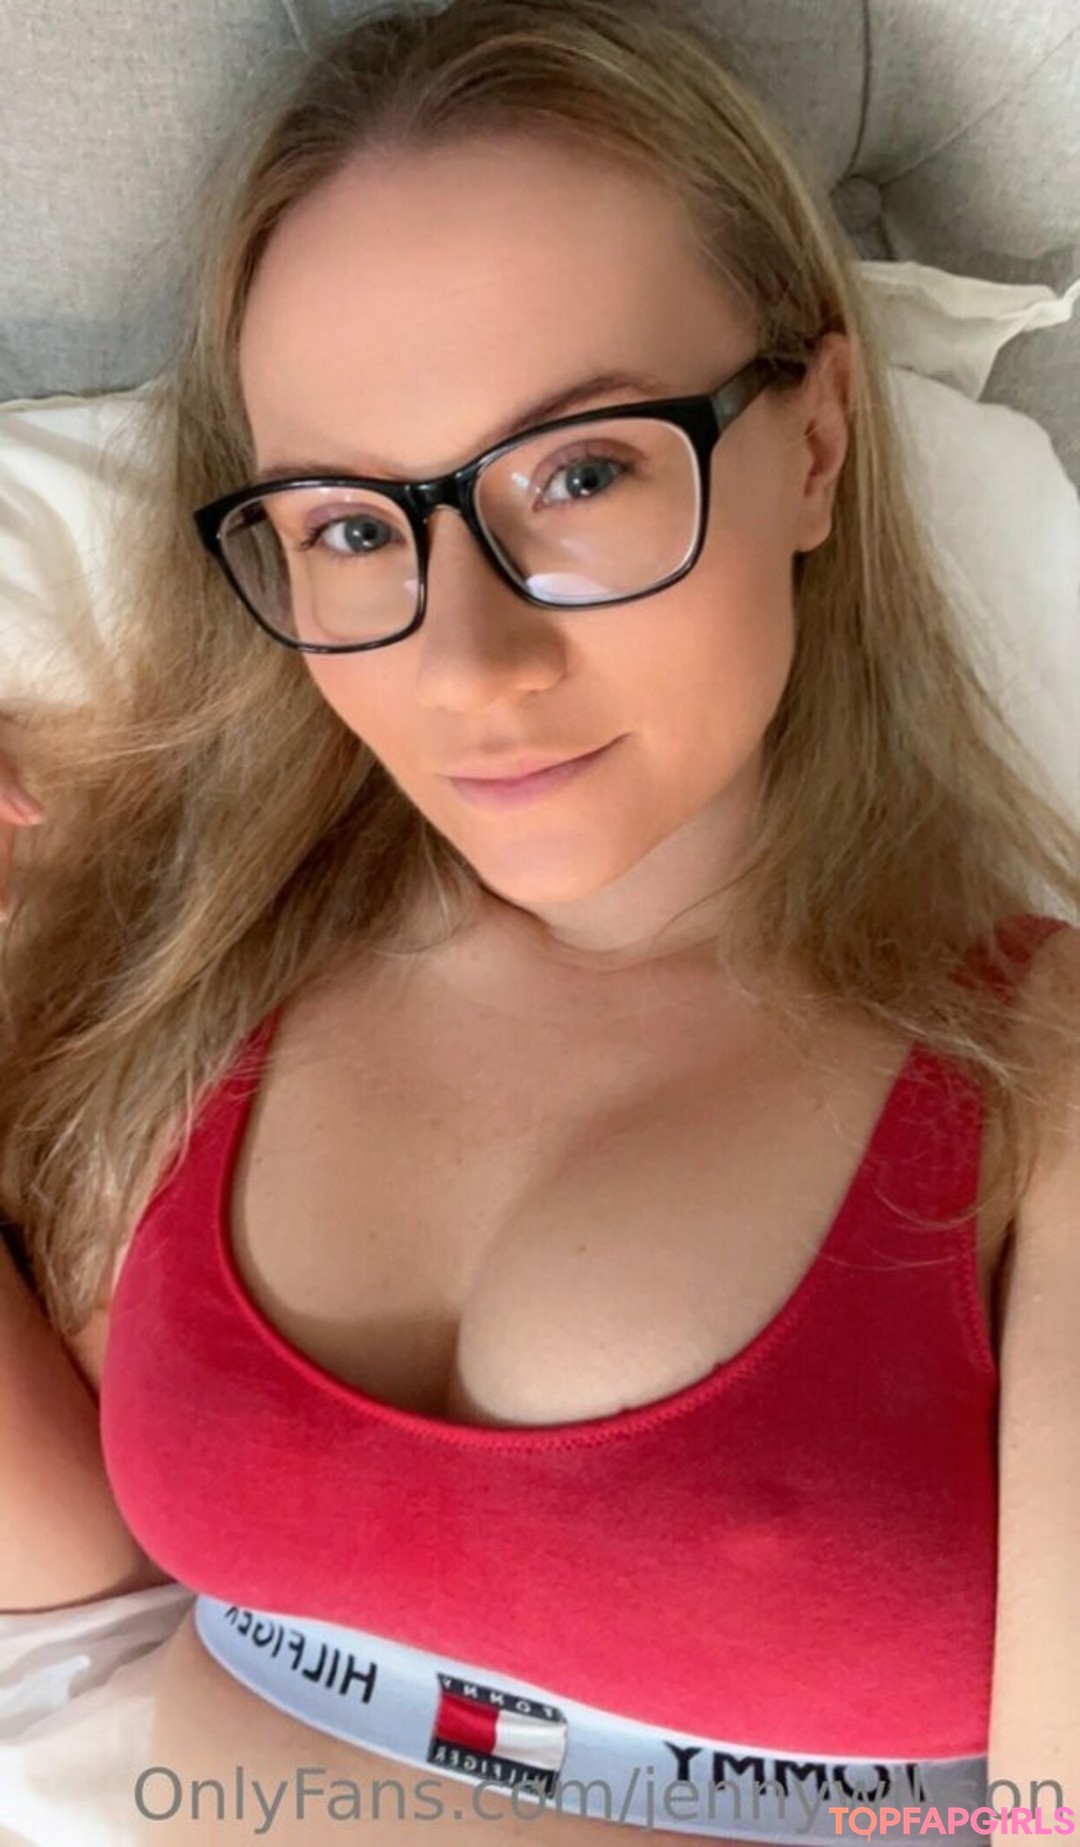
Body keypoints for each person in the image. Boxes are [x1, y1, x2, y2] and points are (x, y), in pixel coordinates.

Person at [1, 0, 1079, 1839]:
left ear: (817, 441)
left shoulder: (1032, 1094)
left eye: (581, 473)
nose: (468, 662)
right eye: (351, 528)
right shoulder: (199, 977)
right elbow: (68, 1579)